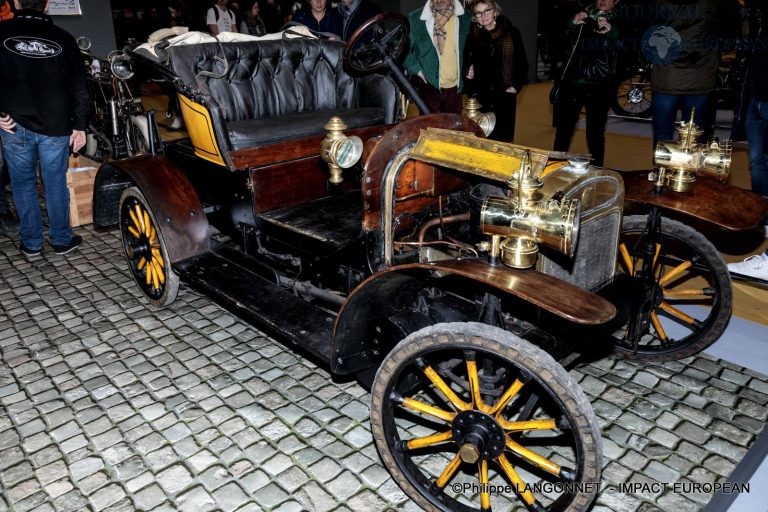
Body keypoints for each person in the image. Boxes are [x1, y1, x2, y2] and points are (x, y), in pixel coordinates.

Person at [0, 0, 89, 257]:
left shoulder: (2, 34)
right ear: (47, 4)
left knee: (22, 184)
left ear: (16, 3)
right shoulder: (64, 37)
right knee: (55, 182)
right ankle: (61, 240)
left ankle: (31, 243)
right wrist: (80, 125)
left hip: (13, 125)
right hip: (56, 125)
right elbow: (79, 88)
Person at [552, 0, 620, 167]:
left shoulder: (621, 21)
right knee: (563, 131)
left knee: (595, 133)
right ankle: (554, 168)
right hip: (573, 82)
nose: (602, 1)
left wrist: (612, 33)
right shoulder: (582, 16)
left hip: (600, 85)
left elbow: (627, 54)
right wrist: (571, 25)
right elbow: (559, 44)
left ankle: (597, 170)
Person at [648, 0, 721, 145]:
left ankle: (661, 168)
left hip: (666, 77)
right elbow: (728, 30)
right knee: (694, 138)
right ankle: (689, 168)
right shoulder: (712, 5)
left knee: (662, 137)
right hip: (699, 78)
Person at [463, 0, 528, 142]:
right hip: (482, 97)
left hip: (504, 95)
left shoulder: (511, 33)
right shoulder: (472, 37)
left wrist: (515, 86)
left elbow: (522, 64)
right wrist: (469, 69)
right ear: (475, 16)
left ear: (495, 11)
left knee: (503, 140)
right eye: (479, 13)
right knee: (482, 139)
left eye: (487, 10)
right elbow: (466, 63)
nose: (483, 15)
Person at [404, 0, 471, 114]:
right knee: (430, 130)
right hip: (429, 87)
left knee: (453, 130)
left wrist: (470, 64)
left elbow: (472, 44)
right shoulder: (415, 19)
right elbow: (402, 49)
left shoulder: (465, 17)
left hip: (455, 90)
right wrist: (416, 69)